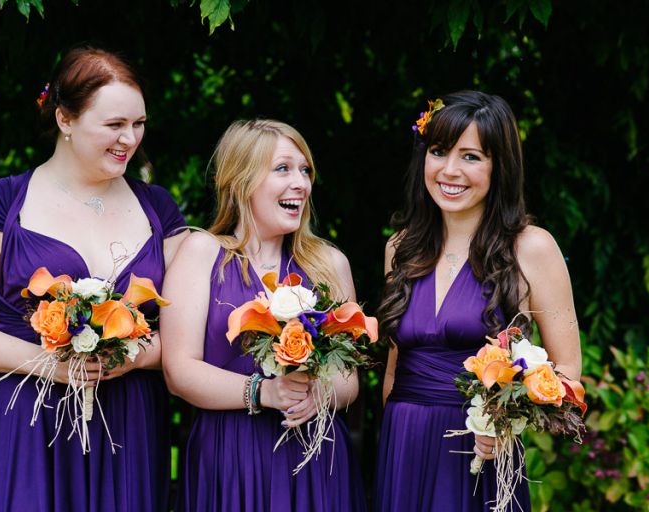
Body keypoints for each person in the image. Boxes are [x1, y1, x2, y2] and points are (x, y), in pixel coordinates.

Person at [0, 47, 188, 511]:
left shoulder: (160, 209)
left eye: (138, 124)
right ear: (65, 119)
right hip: (21, 419)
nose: (129, 138)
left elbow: (187, 332)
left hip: (126, 423)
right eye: (114, 124)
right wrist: (48, 363)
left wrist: (131, 358)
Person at [374, 91, 582, 511]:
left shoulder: (532, 248)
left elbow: (568, 371)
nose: (450, 170)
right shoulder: (400, 248)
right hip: (403, 445)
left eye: (470, 157)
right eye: (439, 151)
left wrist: (507, 422)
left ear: (498, 166)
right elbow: (394, 370)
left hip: (479, 450)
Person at [159, 119, 366, 511]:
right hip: (230, 454)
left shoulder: (329, 264)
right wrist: (262, 392)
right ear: (242, 181)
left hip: (314, 453)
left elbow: (349, 380)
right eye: (283, 169)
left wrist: (318, 394)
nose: (301, 183)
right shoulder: (202, 253)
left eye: (305, 171)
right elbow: (178, 370)